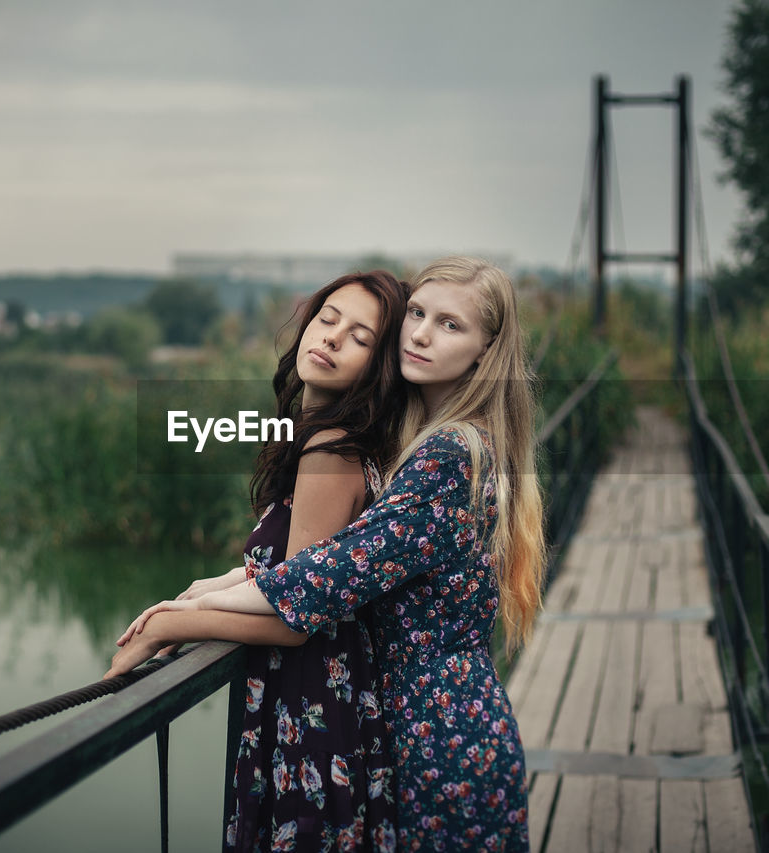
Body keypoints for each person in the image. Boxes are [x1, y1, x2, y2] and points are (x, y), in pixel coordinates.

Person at [114, 257, 547, 851]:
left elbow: (313, 583)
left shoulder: (448, 454)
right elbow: (329, 560)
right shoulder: (427, 443)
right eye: (417, 314)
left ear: (485, 352)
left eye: (451, 325)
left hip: (437, 747)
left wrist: (175, 619)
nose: (420, 333)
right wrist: (208, 589)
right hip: (424, 728)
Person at [108, 270, 409, 851]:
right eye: (327, 319)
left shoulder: (332, 448)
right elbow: (298, 566)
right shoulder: (329, 437)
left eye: (361, 337)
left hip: (311, 704)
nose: (332, 337)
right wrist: (211, 584)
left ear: (379, 368)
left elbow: (293, 619)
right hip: (325, 703)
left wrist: (172, 622)